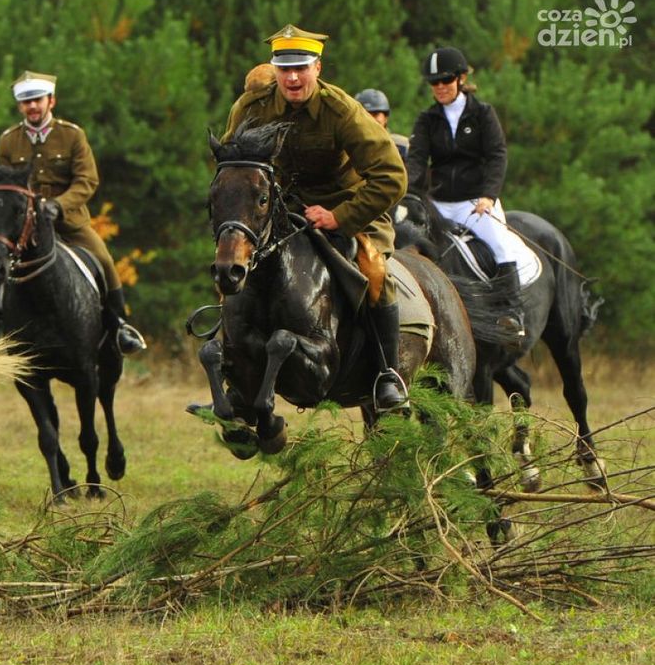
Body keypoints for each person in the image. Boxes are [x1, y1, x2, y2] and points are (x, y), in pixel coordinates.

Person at [223, 25, 409, 411]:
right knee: (232, 261)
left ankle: (386, 374)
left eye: (301, 68)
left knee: (374, 272)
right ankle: (235, 377)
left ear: (317, 68)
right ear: (274, 70)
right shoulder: (250, 107)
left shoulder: (341, 111)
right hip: (279, 210)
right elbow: (231, 164)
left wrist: (340, 216)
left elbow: (392, 176)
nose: (293, 77)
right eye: (284, 69)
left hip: (346, 206)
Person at [0, 70, 146, 355]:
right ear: (20, 106)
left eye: (37, 100)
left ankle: (119, 327)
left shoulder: (72, 135)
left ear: (52, 101)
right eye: (26, 102)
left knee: (104, 259)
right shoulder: (8, 141)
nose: (33, 107)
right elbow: (2, 183)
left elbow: (87, 180)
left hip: (67, 221)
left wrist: (59, 205)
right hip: (20, 226)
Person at [405, 47, 525, 341]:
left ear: (460, 79)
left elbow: (497, 155)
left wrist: (489, 196)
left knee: (502, 245)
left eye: (446, 81)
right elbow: (418, 160)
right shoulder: (427, 119)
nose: (440, 88)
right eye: (435, 83)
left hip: (476, 201)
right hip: (439, 202)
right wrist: (405, 191)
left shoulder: (482, 114)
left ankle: (512, 312)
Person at [354, 88, 409, 160]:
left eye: (375, 114)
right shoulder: (347, 149)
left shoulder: (402, 147)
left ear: (385, 117)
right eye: (365, 114)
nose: (370, 119)